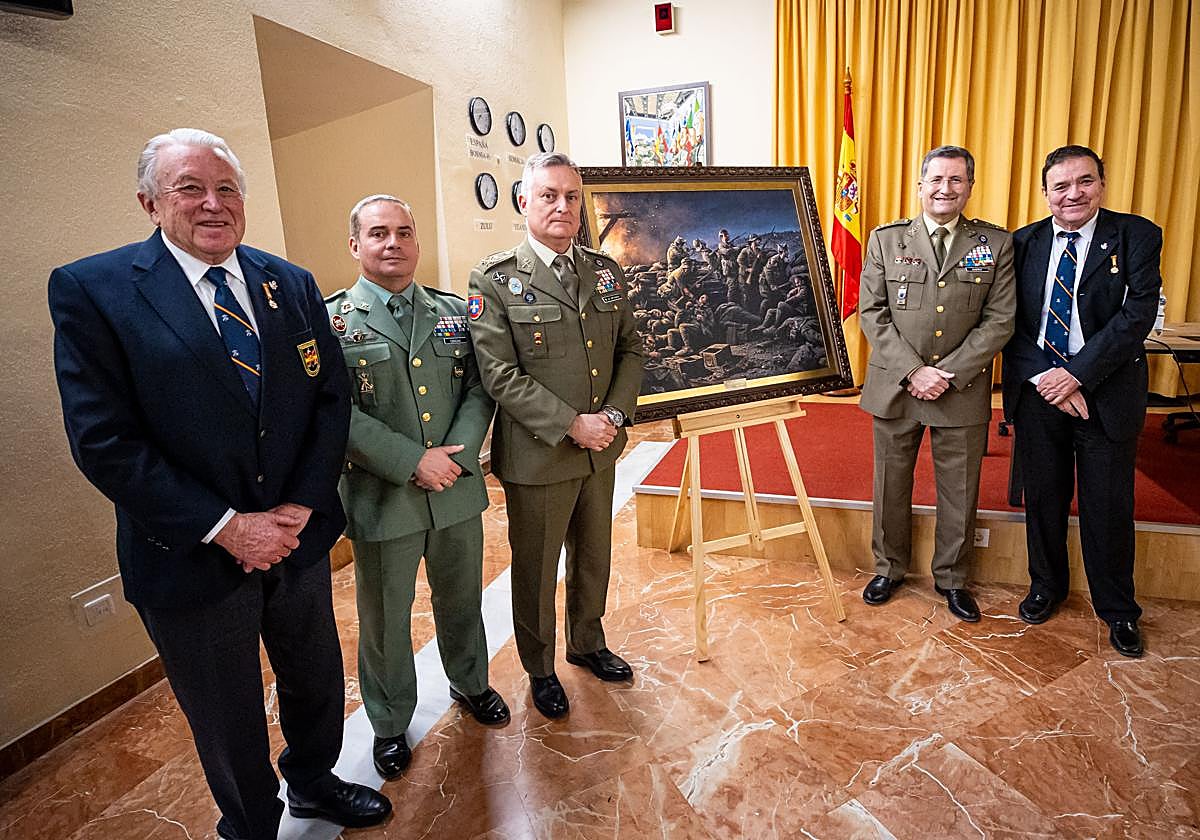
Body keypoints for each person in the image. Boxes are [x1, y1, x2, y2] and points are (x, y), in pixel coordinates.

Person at [48, 128, 390, 840]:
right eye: (190, 189)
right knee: (227, 712)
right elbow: (104, 441)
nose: (213, 204)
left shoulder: (288, 283)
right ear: (150, 203)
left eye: (227, 188)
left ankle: (316, 783)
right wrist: (228, 527)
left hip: (295, 542)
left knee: (316, 681)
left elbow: (328, 402)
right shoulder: (95, 291)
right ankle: (250, 824)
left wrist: (297, 505)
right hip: (190, 556)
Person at [326, 195, 509, 779]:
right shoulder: (333, 322)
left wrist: (452, 456)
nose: (393, 243)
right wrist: (412, 461)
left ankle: (471, 684)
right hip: (384, 497)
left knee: (462, 599)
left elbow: (480, 389)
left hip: (454, 487)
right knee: (385, 617)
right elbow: (336, 413)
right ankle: (388, 721)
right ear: (355, 245)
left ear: (417, 241)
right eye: (378, 233)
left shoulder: (452, 311)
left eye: (404, 232)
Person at [467, 151, 645, 718]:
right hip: (541, 455)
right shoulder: (494, 279)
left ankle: (587, 643)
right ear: (524, 202)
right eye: (548, 195)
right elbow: (498, 372)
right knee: (538, 566)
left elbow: (629, 351)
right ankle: (540, 668)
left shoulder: (605, 271)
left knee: (593, 557)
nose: (562, 207)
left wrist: (613, 418)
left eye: (571, 196)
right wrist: (572, 423)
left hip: (599, 450)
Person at [1002, 145, 1161, 657]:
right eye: (1061, 186)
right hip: (1038, 392)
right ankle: (1046, 586)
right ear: (1045, 192)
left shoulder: (1136, 235)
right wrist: (1051, 380)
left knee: (1108, 505)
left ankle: (1118, 609)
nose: (1073, 194)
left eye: (1085, 182)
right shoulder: (1022, 243)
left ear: (1101, 183)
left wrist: (1076, 377)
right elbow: (1012, 323)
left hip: (1105, 394)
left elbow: (1136, 317)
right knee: (1044, 498)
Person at [858, 145, 1016, 622]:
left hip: (960, 388)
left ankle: (952, 578)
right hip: (897, 386)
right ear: (920, 185)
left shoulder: (996, 244)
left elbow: (1000, 319)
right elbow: (873, 314)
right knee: (890, 483)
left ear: (969, 187)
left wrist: (948, 373)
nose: (945, 189)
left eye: (956, 181)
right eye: (937, 180)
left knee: (960, 489)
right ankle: (889, 567)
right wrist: (914, 371)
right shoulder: (886, 240)